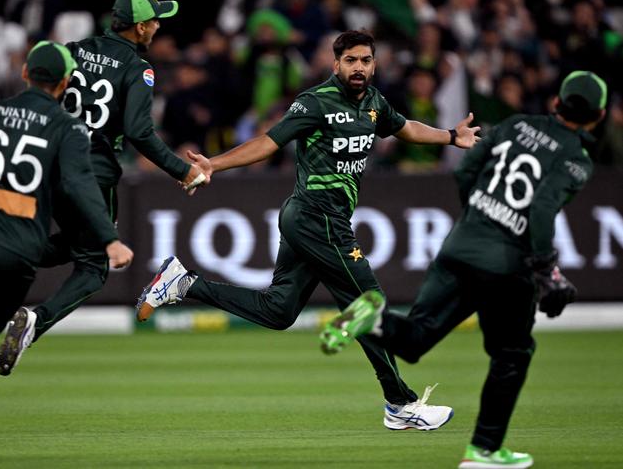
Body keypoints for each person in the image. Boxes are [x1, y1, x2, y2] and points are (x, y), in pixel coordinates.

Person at [137, 30, 480, 430]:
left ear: (374, 64)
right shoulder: (314, 101)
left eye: (365, 60)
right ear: (336, 64)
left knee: (279, 311)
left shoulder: (374, 103)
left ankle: (183, 284)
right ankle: (399, 403)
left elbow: (404, 128)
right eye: (350, 60)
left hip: (316, 220)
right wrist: (213, 163)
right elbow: (268, 141)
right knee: (368, 304)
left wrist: (451, 137)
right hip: (317, 218)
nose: (358, 67)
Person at [319, 70, 607, 468]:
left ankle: (375, 318)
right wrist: (546, 269)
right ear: (599, 115)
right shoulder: (576, 157)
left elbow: (465, 172)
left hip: (460, 244)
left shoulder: (516, 123)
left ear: (556, 102)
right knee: (512, 353)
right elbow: (540, 209)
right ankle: (483, 451)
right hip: (507, 264)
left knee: (416, 337)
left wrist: (477, 221)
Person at [0, 0, 204, 376]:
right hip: (92, 170)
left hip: (47, 163)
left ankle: (0, 252)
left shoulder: (73, 48)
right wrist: (183, 170)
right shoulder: (137, 68)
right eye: (155, 20)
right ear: (140, 27)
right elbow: (140, 133)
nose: (158, 27)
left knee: (70, 244)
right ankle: (34, 322)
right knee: (95, 266)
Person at [0, 41, 134, 404]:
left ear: (25, 73)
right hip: (15, 256)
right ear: (65, 84)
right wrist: (110, 239)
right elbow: (80, 183)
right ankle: (33, 320)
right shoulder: (69, 130)